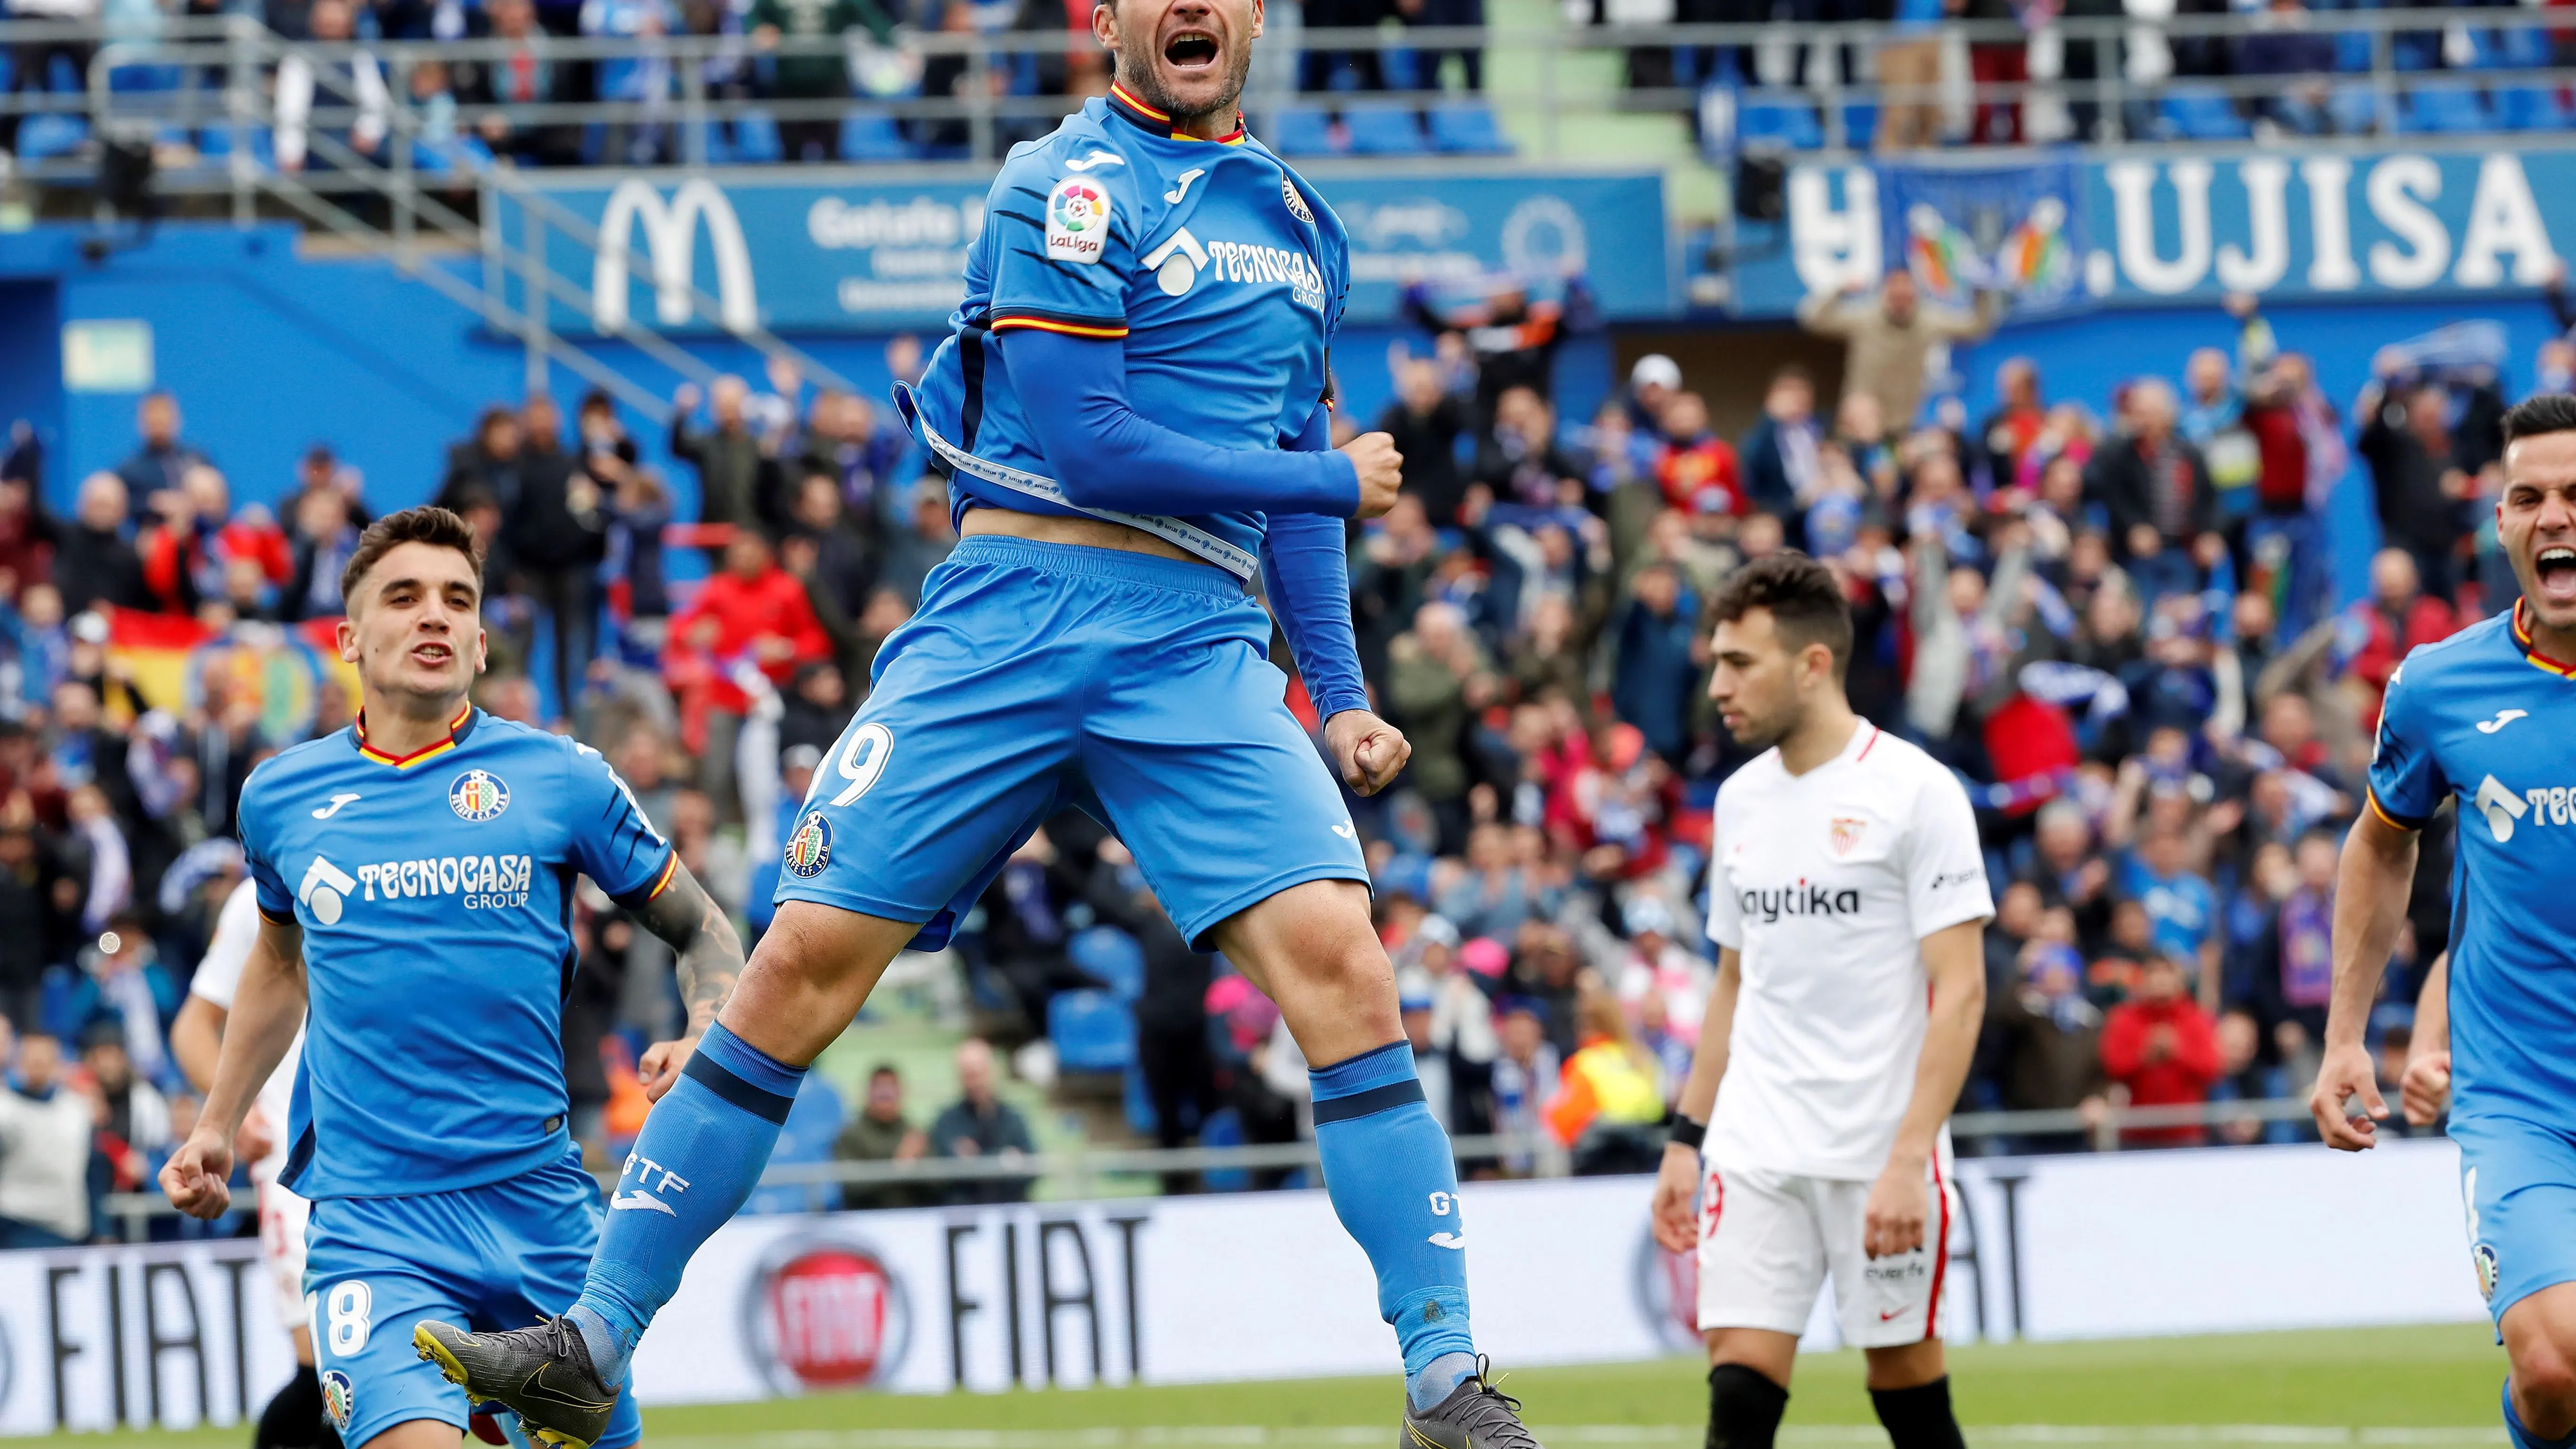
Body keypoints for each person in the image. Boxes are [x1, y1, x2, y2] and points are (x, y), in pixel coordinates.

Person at [419, 0, 1541, 1443]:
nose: (1190, 4)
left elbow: (1278, 476)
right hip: (1013, 614)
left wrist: (1339, 694)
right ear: (1107, 17)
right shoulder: (1061, 185)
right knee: (798, 968)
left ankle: (1445, 1377)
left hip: (1196, 645)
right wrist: (1329, 478)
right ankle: (596, 1333)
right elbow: (1091, 444)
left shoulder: (1300, 222)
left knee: (1347, 970)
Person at [159, 507, 748, 1449]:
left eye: (457, 600)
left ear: (479, 644)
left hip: (542, 1213)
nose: (434, 614)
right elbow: (276, 964)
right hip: (371, 1222)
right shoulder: (280, 798)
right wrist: (216, 1126)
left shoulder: (562, 778)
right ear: (351, 639)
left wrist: (705, 1022)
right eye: (405, 596)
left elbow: (704, 930)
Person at [1647, 552, 1991, 1449]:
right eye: (1717, 661)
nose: (1718, 684)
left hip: (1877, 1147)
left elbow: (1960, 991)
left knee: (1907, 1389)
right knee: (1739, 1392)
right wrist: (1687, 1139)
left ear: (1812, 664)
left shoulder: (1916, 790)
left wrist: (1909, 1157)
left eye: (1739, 663)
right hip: (1756, 1145)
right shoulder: (1738, 801)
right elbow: (1733, 980)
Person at [2308, 394, 2576, 1449]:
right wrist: (2344, 1040)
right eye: (2530, 498)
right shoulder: (2437, 686)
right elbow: (2381, 842)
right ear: (2500, 524)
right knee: (2554, 1368)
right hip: (2522, 1100)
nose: (2555, 517)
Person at [170, 878, 343, 1449]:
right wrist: (231, 1116)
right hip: (297, 1170)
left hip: (397, 1157)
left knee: (368, 1368)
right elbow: (193, 1026)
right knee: (323, 1368)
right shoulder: (261, 894)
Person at [1795, 270, 2004, 434]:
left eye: (1907, 290)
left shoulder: (1929, 320)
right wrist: (1840, 289)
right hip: (1862, 423)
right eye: (1895, 290)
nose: (1901, 297)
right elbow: (1812, 319)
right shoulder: (1865, 317)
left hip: (1905, 423)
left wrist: (1981, 295)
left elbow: (1977, 328)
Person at [0, 1025, 95, 1249]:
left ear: (58, 1063)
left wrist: (102, 1229)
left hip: (69, 1226)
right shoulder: (5, 1109)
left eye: (45, 1059)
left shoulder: (78, 1110)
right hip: (16, 1222)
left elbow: (92, 1171)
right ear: (19, 1062)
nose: (39, 1065)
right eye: (33, 1059)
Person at [926, 1037, 1038, 1205]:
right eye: (968, 1075)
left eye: (979, 1073)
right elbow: (950, 1172)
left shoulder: (1013, 1118)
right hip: (963, 1214)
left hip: (1010, 1209)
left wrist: (978, 1159)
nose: (975, 1082)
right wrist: (1007, 1160)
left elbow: (1031, 1168)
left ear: (992, 1072)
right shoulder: (947, 1121)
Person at [832, 1063, 928, 1211]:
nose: (885, 1093)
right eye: (879, 1087)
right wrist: (898, 1167)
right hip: (865, 1221)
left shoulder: (914, 1134)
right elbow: (852, 1187)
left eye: (891, 1086)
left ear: (901, 1091)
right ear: (868, 1092)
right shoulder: (850, 1136)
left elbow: (938, 1183)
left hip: (912, 1221)